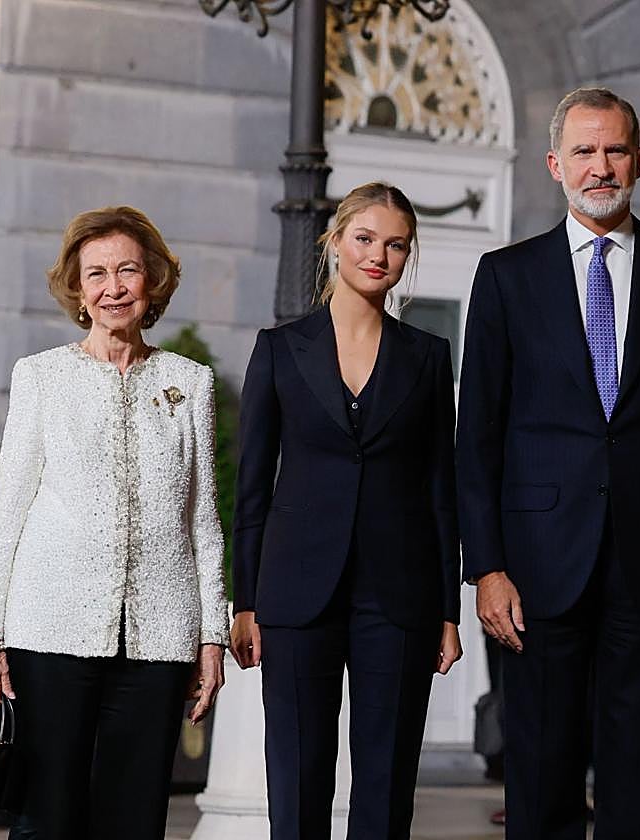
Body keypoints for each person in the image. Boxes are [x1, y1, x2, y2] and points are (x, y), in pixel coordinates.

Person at [456, 86, 640, 840]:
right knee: (540, 776)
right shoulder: (506, 275)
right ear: (555, 164)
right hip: (535, 570)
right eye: (584, 151)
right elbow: (477, 436)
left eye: (614, 150)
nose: (600, 167)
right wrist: (486, 567)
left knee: (638, 779)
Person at [0, 206, 230, 840]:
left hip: (160, 638)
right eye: (96, 274)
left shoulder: (190, 382)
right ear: (78, 289)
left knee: (135, 822)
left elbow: (203, 518)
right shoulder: (41, 377)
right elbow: (8, 510)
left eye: (127, 271)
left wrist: (211, 635)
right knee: (46, 820)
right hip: (50, 633)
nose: (113, 288)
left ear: (152, 281)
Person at [230, 182, 461, 840]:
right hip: (296, 591)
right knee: (297, 778)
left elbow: (440, 488)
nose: (378, 256)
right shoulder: (280, 348)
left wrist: (448, 609)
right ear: (334, 242)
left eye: (396, 245)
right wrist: (246, 601)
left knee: (387, 787)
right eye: (365, 238)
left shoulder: (427, 356)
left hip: (401, 597)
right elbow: (253, 486)